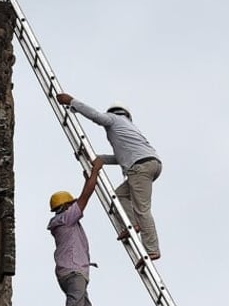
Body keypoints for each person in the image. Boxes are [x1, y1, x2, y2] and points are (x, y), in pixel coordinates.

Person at [55, 93, 164, 259]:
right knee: (119, 196)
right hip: (149, 164)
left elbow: (96, 116)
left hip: (139, 167)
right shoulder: (128, 128)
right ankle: (133, 224)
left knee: (142, 208)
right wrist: (98, 159)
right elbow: (120, 158)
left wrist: (72, 101)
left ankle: (152, 249)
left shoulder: (113, 119)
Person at [48, 157, 104, 306]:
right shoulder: (66, 218)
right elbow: (85, 197)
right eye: (70, 203)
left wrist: (87, 179)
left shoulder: (64, 221)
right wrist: (94, 174)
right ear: (64, 207)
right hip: (73, 271)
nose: (74, 205)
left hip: (71, 271)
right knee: (75, 303)